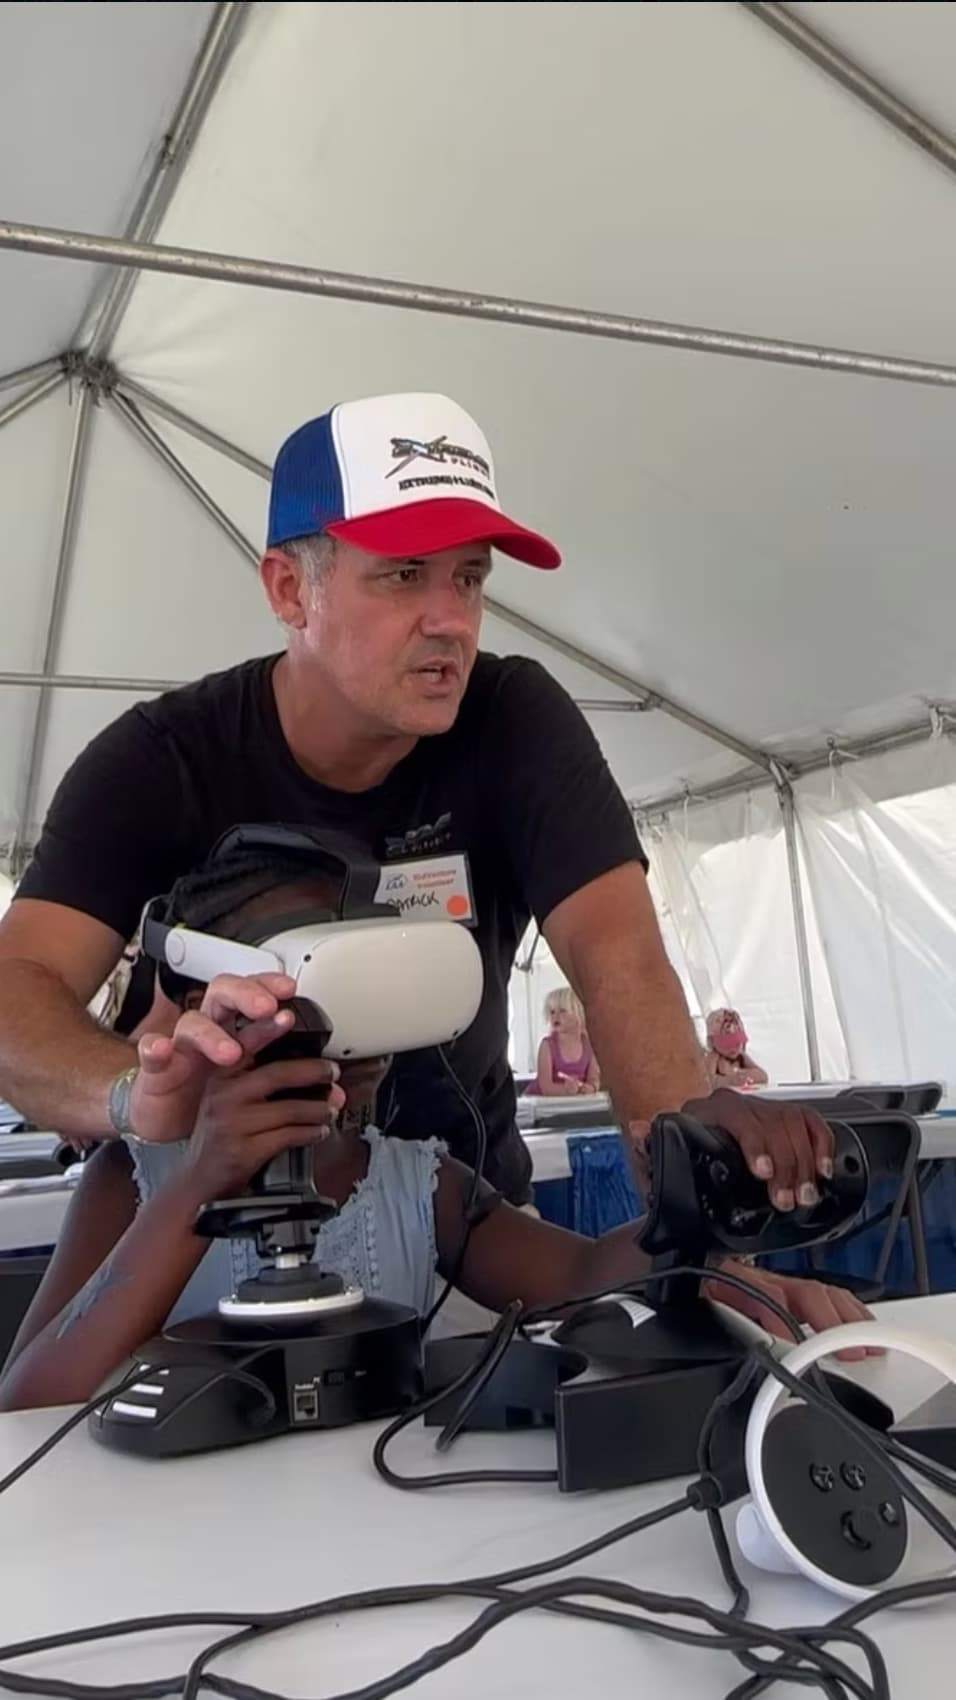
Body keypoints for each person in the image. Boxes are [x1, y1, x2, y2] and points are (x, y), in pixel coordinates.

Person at [0, 391, 831, 1216]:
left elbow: (620, 960)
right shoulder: (162, 759)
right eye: (403, 575)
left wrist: (703, 1202)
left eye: (469, 577)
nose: (451, 621)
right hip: (209, 1254)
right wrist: (131, 1096)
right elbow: (15, 987)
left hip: (473, 1246)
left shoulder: (512, 721)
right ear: (291, 590)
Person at [0, 859, 875, 1412]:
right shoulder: (136, 1178)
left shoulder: (416, 1182)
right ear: (213, 1002)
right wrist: (198, 1181)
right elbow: (28, 1400)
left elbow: (574, 1277)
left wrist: (699, 1204)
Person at [528, 987, 600, 1096]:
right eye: (552, 1012)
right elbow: (545, 1087)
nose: (555, 1016)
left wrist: (591, 1088)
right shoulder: (547, 1045)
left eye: (562, 1011)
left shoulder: (589, 1046)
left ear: (578, 1013)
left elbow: (594, 1078)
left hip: (572, 1104)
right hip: (542, 1107)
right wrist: (566, 1090)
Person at [705, 1009, 769, 1089]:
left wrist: (743, 1074)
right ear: (712, 1043)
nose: (733, 1048)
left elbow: (763, 1076)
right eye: (726, 1044)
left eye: (737, 1043)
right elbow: (707, 1082)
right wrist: (729, 1080)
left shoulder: (742, 1056)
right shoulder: (713, 1058)